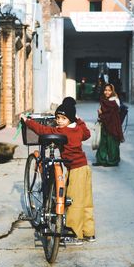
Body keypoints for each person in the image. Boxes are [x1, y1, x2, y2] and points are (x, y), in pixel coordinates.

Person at [21, 97, 95, 245]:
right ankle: (89, 233)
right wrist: (78, 120)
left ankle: (74, 234)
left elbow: (43, 130)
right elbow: (87, 134)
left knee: (74, 202)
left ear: (69, 118)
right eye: (57, 118)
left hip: (75, 170)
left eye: (63, 118)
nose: (59, 121)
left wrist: (27, 121)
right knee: (86, 202)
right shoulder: (78, 129)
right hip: (85, 168)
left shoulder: (62, 132)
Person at [92, 84, 124, 167]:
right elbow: (101, 110)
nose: (107, 92)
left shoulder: (115, 100)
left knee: (112, 143)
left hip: (112, 124)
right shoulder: (103, 99)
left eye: (109, 90)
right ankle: (101, 160)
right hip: (104, 123)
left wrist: (101, 113)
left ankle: (113, 161)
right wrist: (100, 114)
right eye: (105, 90)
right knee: (103, 142)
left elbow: (111, 114)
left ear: (112, 91)